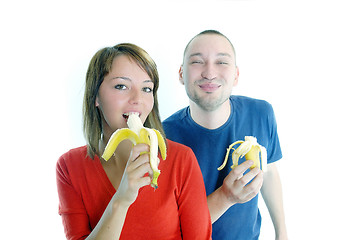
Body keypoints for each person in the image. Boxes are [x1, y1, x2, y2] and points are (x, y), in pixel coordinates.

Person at [56, 43, 212, 240]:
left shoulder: (182, 159)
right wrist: (122, 200)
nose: (137, 98)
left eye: (147, 88)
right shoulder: (70, 166)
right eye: (121, 86)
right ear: (95, 96)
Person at [163, 30, 288, 239]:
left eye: (221, 62)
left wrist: (281, 233)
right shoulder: (163, 138)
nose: (210, 73)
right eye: (197, 62)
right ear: (181, 74)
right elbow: (172, 227)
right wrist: (226, 197)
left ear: (236, 75)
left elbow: (268, 171)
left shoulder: (261, 113)